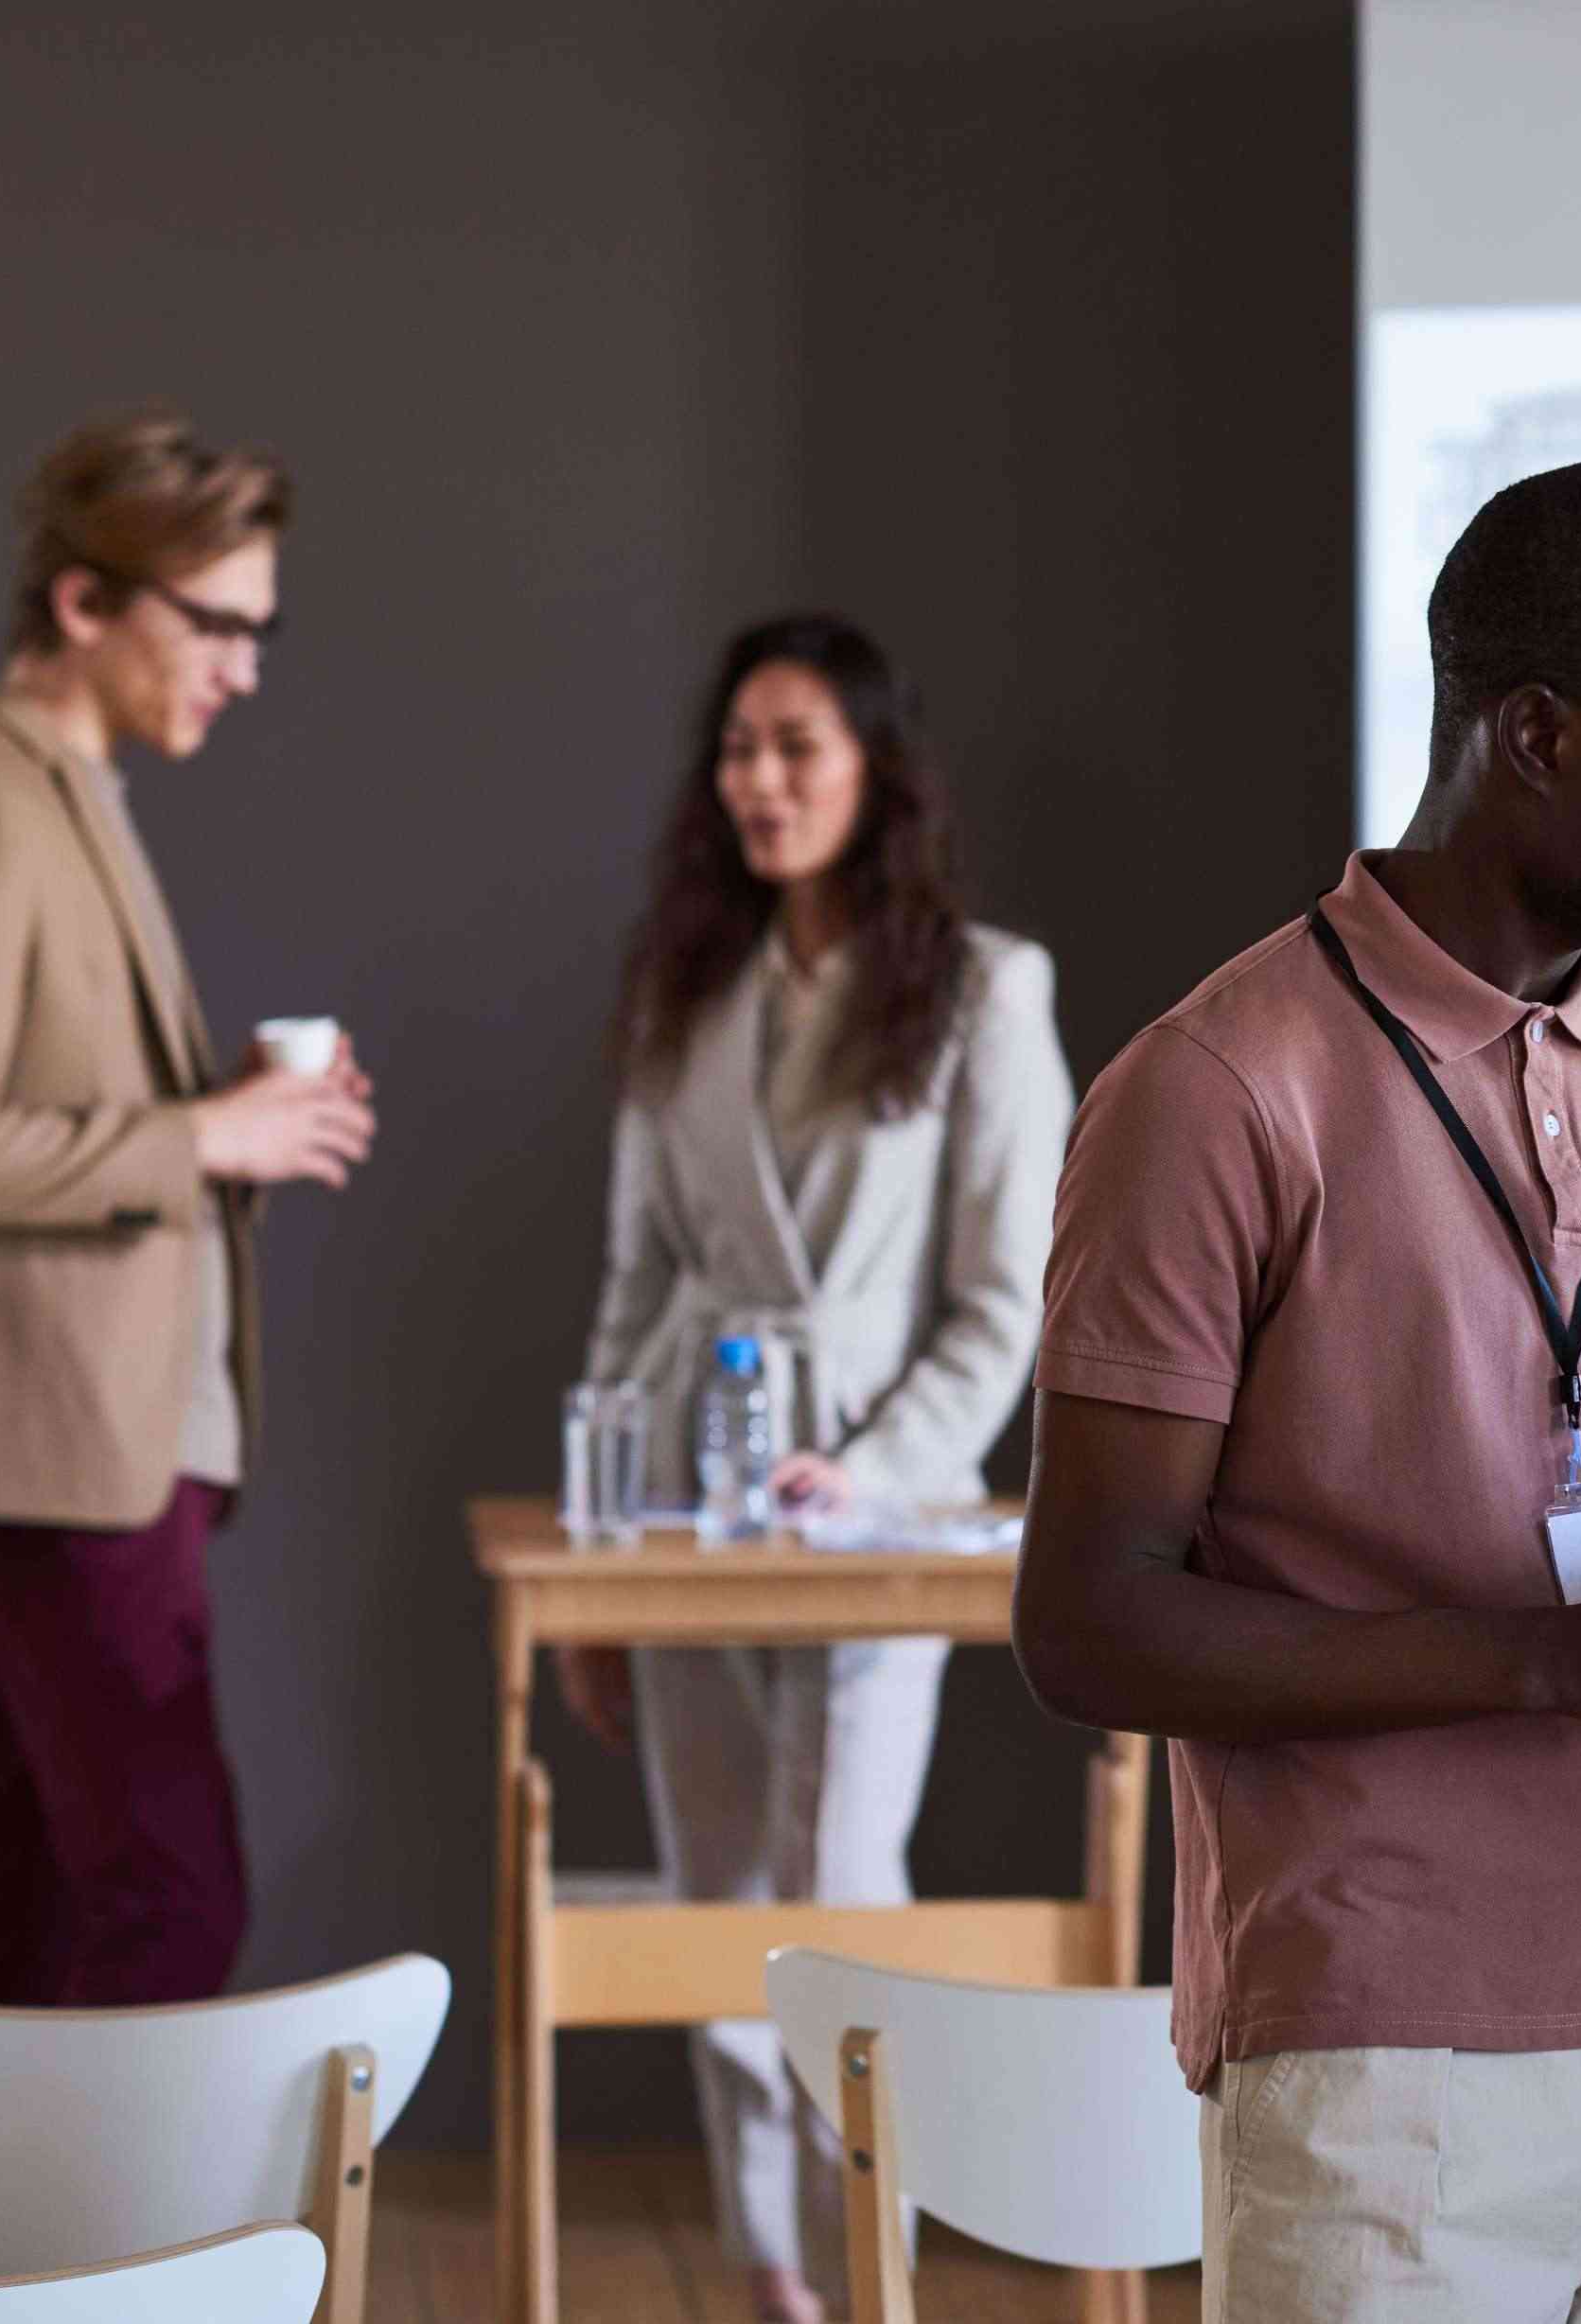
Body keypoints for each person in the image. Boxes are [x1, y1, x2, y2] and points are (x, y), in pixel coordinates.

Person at [1014, 460, 1581, 2324]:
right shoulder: (1216, 1087)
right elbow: (1085, 1624)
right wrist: (1538, 1659)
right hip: (1376, 2055)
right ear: (1534, 734)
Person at [0, 407, 378, 2008]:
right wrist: (204, 1138)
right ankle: (107, 2264)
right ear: (84, 602)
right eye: (217, 623)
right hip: (61, 1439)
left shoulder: (74, 790)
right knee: (170, 1884)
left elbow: (46, 1100)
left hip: (111, 1430)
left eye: (263, 626)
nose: (246, 665)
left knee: (37, 1868)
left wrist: (227, 1103)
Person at [558, 614, 1072, 2324]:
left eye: (797, 747)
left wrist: (873, 1471)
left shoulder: (986, 987)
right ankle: (767, 2264)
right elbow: (632, 1286)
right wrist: (599, 1554)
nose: (760, 782)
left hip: (874, 1513)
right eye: (737, 752)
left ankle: (878, 2261)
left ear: (874, 769)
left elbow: (1009, 1301)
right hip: (684, 1500)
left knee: (839, 1885)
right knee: (713, 1895)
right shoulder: (683, 993)